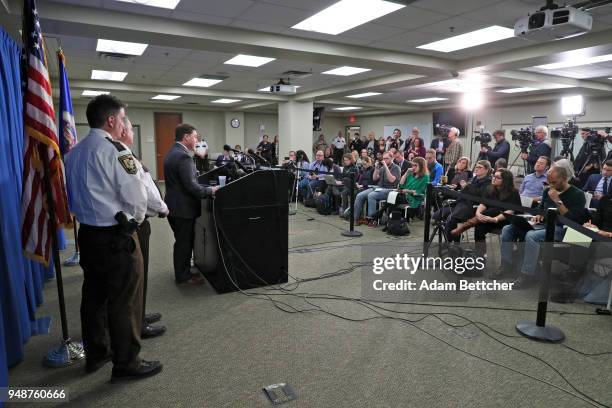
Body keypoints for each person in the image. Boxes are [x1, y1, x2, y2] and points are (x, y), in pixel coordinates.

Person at [64, 94, 162, 381]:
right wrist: (134, 223)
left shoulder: (74, 152)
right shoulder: (117, 152)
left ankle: (97, 353)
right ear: (111, 120)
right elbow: (136, 198)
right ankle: (127, 363)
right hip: (116, 237)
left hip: (88, 235)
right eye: (121, 118)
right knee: (124, 301)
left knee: (93, 295)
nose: (123, 123)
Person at [114, 117, 168, 339]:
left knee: (131, 278)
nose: (133, 134)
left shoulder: (96, 150)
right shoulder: (122, 154)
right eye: (130, 130)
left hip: (111, 225)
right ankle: (137, 323)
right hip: (131, 224)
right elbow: (142, 191)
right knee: (135, 276)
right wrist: (161, 209)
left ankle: (140, 314)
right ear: (123, 130)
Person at [500, 165, 587, 288]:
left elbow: (573, 219)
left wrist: (557, 200)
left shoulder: (577, 194)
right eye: (549, 182)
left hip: (562, 228)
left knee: (531, 236)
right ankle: (506, 266)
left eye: (554, 182)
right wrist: (537, 216)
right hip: (543, 225)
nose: (551, 185)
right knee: (508, 229)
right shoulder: (547, 191)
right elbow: (539, 210)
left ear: (564, 179)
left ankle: (527, 275)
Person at [164, 124, 219, 285]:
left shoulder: (172, 152)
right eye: (195, 136)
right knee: (184, 243)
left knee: (182, 241)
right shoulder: (183, 156)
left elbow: (185, 183)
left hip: (174, 206)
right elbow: (191, 186)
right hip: (183, 208)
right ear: (186, 137)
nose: (197, 140)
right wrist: (211, 190)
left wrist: (205, 188)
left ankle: (183, 270)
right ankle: (183, 276)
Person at [451, 169, 521, 264]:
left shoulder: (513, 192)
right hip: (488, 219)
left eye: (498, 177)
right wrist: (478, 214)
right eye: (493, 176)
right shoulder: (490, 189)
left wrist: (495, 219)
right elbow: (483, 204)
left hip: (505, 220)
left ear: (505, 180)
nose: (494, 178)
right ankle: (480, 256)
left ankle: (464, 227)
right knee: (480, 227)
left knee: (494, 210)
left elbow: (510, 211)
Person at [433, 160, 492, 243]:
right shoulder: (474, 178)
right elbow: (464, 192)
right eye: (476, 167)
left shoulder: (488, 182)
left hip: (472, 207)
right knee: (439, 215)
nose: (476, 169)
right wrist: (458, 188)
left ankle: (448, 243)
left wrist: (466, 186)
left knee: (451, 219)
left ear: (486, 170)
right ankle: (454, 240)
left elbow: (480, 195)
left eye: (480, 167)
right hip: (461, 203)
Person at [353, 152, 400, 226]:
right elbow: (375, 178)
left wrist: (385, 166)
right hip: (378, 188)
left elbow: (392, 180)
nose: (384, 160)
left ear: (392, 158)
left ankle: (372, 219)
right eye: (383, 158)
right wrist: (376, 168)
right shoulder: (382, 168)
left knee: (371, 195)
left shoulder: (396, 167)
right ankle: (356, 218)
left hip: (390, 190)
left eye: (386, 158)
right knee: (359, 195)